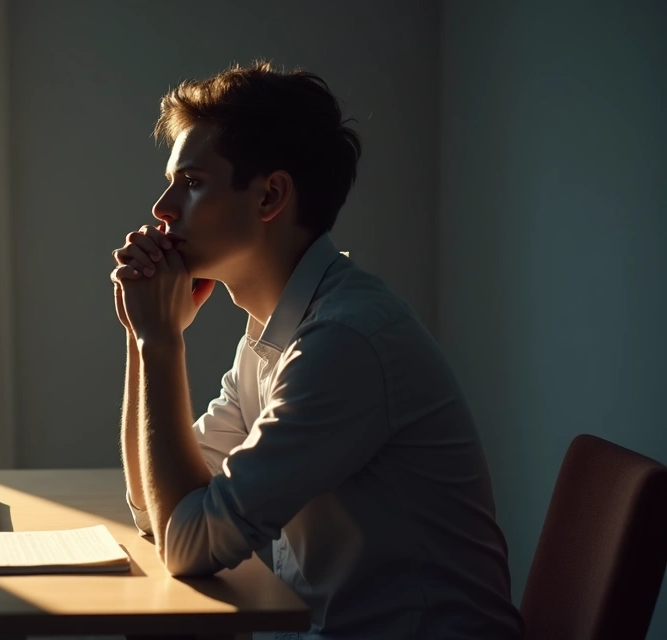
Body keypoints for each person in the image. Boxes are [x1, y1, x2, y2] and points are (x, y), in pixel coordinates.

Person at [110, 61, 523, 639]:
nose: (163, 207)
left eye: (193, 182)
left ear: (270, 196)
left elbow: (186, 544)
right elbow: (159, 512)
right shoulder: (273, 332)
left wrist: (162, 341)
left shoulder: (342, 343)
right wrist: (142, 331)